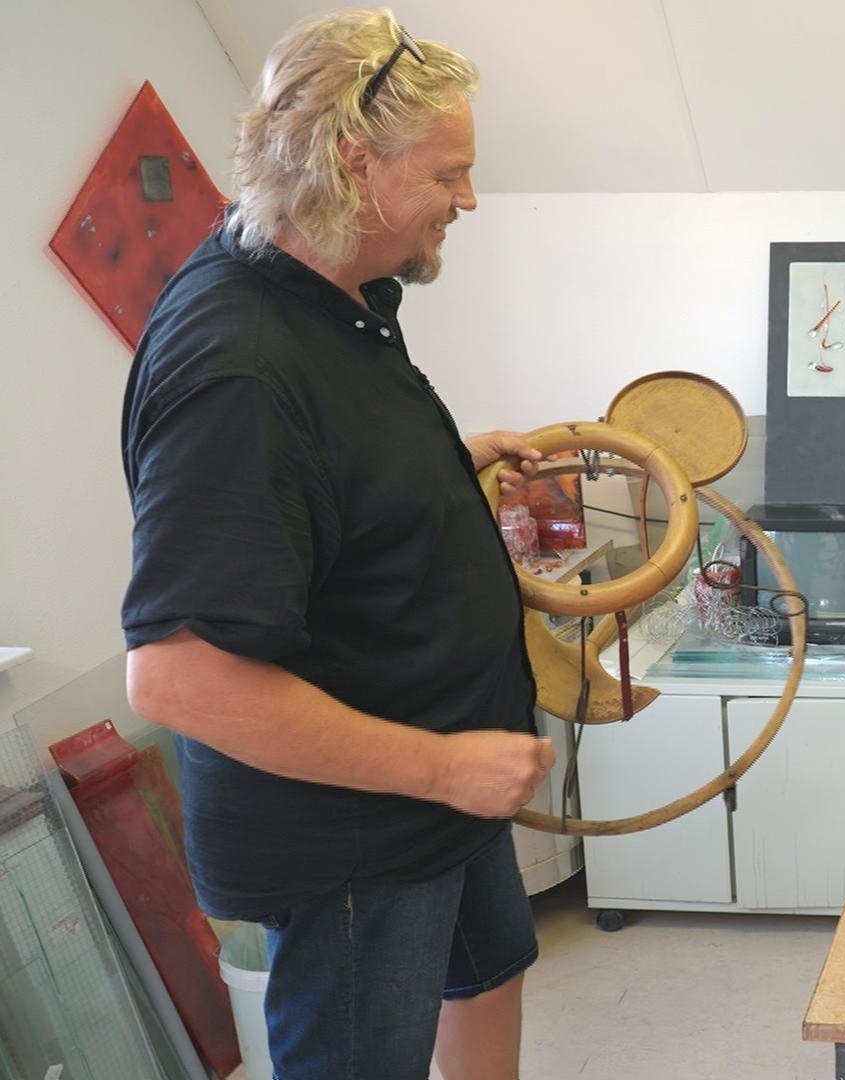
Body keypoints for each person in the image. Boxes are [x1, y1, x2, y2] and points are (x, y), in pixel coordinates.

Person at [122, 12, 550, 1079]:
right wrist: (446, 766)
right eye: (450, 173)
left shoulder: (329, 292)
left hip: (434, 801)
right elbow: (178, 677)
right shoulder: (236, 366)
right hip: (359, 834)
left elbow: (322, 478)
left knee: (487, 974)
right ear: (355, 162)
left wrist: (449, 463)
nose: (469, 200)